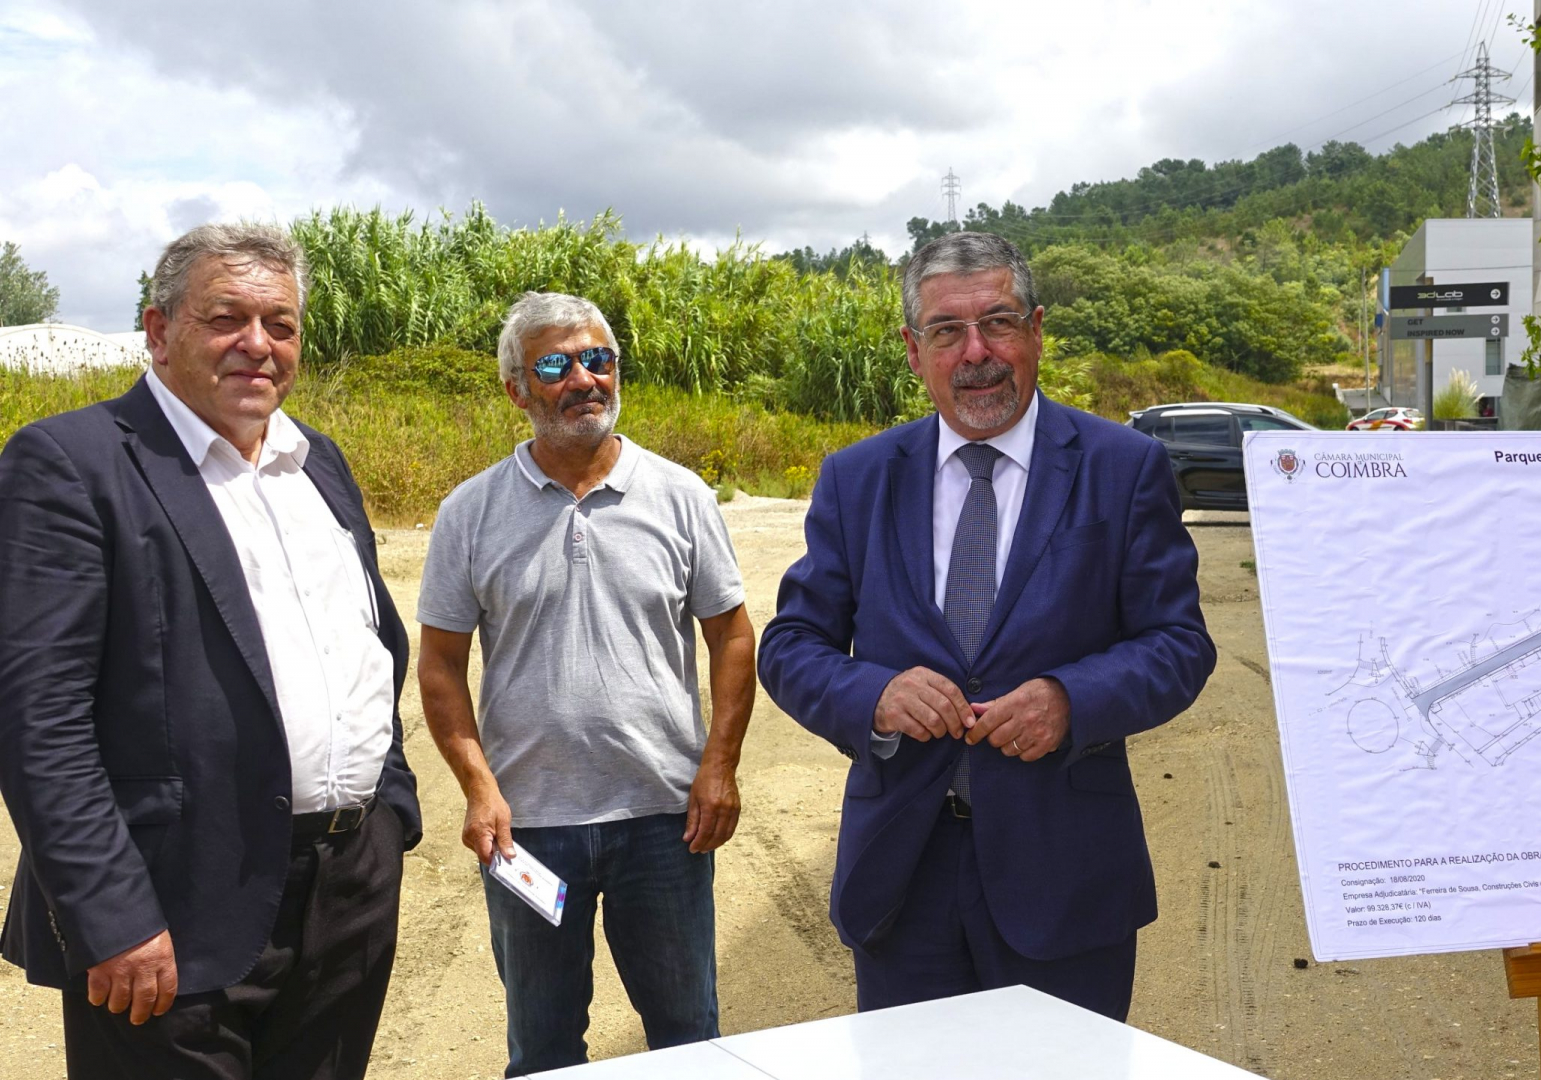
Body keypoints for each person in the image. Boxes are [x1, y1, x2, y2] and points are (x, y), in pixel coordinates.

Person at [0, 222, 422, 1080]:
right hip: (172, 912)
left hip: (346, 897)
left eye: (282, 325)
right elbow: (37, 718)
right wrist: (111, 914)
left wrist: (389, 813)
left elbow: (367, 644)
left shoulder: (319, 464)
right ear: (158, 330)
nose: (258, 345)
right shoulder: (73, 463)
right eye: (226, 317)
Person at [758, 231, 1215, 1020]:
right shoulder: (858, 479)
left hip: (1064, 872)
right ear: (913, 350)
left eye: (999, 323)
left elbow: (1179, 644)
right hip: (902, 876)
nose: (977, 352)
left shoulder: (1123, 467)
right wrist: (874, 694)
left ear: (1036, 330)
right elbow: (792, 645)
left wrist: (1071, 700)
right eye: (947, 331)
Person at [415, 292, 756, 1075]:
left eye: (600, 360)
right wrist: (478, 787)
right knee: (544, 1046)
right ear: (517, 389)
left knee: (686, 1040)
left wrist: (719, 767)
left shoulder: (681, 497)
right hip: (528, 831)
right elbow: (439, 663)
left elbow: (732, 637)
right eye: (556, 364)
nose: (584, 380)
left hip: (663, 826)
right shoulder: (469, 513)